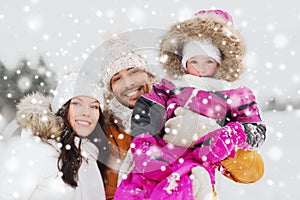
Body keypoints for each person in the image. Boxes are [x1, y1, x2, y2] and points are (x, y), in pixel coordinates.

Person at [115, 9, 266, 200]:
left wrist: (231, 136)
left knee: (185, 187)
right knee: (137, 187)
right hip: (164, 150)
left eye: (208, 61)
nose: (200, 68)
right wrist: (143, 142)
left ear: (221, 63)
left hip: (201, 156)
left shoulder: (235, 93)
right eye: (194, 61)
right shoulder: (171, 86)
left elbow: (256, 129)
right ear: (184, 63)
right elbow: (147, 110)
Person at [0, 72, 107, 200]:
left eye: (94, 106)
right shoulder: (35, 151)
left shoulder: (89, 156)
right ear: (62, 108)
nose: (86, 112)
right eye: (77, 103)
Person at [99, 38, 157, 199]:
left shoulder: (178, 109)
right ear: (111, 89)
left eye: (133, 71)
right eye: (117, 78)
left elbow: (232, 168)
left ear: (149, 75)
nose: (128, 83)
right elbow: (109, 193)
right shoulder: (109, 131)